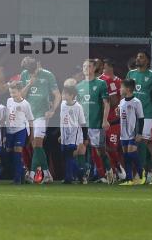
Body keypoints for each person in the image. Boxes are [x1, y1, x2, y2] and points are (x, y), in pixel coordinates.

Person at [126, 51, 152, 185]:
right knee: (137, 143)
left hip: (147, 114)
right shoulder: (131, 74)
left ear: (148, 61)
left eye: (141, 57)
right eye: (137, 56)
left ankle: (139, 174)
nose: (138, 58)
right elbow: (126, 92)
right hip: (132, 114)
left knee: (140, 142)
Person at [20, 56, 60, 185]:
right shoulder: (25, 74)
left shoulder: (48, 75)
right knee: (35, 145)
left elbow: (57, 95)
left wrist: (52, 110)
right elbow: (21, 95)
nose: (30, 72)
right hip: (29, 116)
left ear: (38, 64)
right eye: (28, 69)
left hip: (42, 114)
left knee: (37, 142)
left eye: (32, 69)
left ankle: (31, 174)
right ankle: (47, 174)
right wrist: (29, 84)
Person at [76, 59, 110, 184]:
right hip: (83, 124)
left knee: (99, 150)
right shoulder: (78, 86)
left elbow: (106, 103)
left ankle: (108, 171)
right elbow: (77, 106)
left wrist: (105, 120)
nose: (86, 68)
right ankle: (83, 176)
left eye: (89, 66)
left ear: (94, 68)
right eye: (84, 66)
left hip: (96, 123)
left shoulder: (101, 84)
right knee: (81, 148)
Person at [99, 59, 125, 182]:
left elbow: (118, 100)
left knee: (113, 147)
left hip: (115, 120)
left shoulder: (118, 82)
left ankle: (118, 168)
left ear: (110, 68)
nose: (102, 71)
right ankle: (105, 173)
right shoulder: (100, 80)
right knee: (99, 148)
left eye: (104, 68)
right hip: (102, 120)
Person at [5, 81, 34, 185]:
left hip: (20, 131)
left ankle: (17, 179)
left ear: (20, 91)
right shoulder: (9, 101)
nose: (12, 95)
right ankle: (23, 172)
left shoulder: (25, 104)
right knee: (9, 154)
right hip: (9, 131)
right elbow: (7, 116)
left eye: (14, 92)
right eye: (11, 92)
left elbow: (30, 120)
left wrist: (31, 135)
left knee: (17, 153)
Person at [116, 79, 144, 185]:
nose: (120, 89)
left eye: (121, 87)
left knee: (132, 154)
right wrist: (118, 113)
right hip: (123, 133)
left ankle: (141, 173)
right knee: (126, 156)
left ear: (127, 89)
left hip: (133, 132)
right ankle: (129, 179)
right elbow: (121, 115)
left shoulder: (137, 102)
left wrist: (139, 133)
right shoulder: (122, 101)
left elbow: (141, 118)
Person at [60, 83, 89, 185]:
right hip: (65, 135)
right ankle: (76, 176)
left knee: (70, 155)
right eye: (63, 93)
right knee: (67, 156)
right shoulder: (63, 104)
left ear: (72, 95)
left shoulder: (78, 107)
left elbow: (83, 123)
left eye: (65, 94)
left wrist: (85, 137)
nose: (63, 95)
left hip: (74, 135)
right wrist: (61, 135)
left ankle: (74, 176)